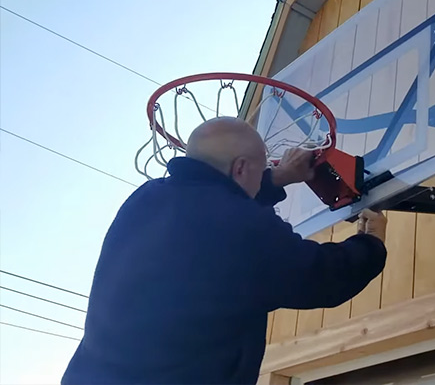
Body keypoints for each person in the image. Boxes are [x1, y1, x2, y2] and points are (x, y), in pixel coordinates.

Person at [62, 117, 387, 384]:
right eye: (261, 170)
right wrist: (371, 243)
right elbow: (320, 276)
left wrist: (278, 178)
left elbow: (216, 213)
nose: (262, 179)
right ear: (241, 168)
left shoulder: (146, 198)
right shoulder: (245, 228)